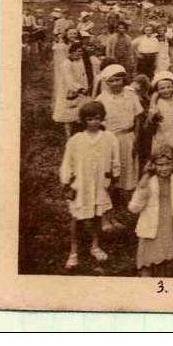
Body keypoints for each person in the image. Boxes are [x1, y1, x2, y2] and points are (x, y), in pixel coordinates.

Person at [59, 101, 120, 269]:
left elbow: (115, 160)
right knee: (77, 218)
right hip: (81, 185)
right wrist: (67, 183)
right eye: (90, 119)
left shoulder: (109, 138)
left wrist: (113, 177)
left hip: (100, 183)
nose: (94, 122)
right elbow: (67, 163)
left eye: (97, 119)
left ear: (102, 119)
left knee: (96, 216)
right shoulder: (75, 140)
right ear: (83, 120)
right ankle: (74, 251)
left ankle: (95, 245)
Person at [96, 64, 143, 229]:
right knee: (109, 179)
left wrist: (136, 137)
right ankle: (105, 217)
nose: (116, 83)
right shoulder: (101, 100)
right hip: (110, 140)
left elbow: (138, 117)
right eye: (111, 81)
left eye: (118, 79)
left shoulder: (131, 95)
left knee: (125, 177)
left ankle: (117, 213)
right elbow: (98, 126)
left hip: (127, 138)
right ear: (106, 83)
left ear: (124, 79)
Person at [129, 146, 173, 277]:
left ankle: (163, 285)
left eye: (168, 164)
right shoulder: (148, 181)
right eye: (160, 165)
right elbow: (134, 208)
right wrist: (143, 186)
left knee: (167, 259)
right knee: (147, 261)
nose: (164, 168)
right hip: (151, 225)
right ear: (153, 165)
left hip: (170, 224)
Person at [54, 41, 91, 137]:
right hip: (69, 90)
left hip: (80, 90)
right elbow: (69, 79)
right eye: (77, 51)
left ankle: (79, 133)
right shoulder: (66, 64)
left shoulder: (80, 61)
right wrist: (80, 89)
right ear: (71, 52)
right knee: (68, 114)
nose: (79, 54)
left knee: (78, 112)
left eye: (81, 52)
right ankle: (68, 135)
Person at [148, 71, 173, 153]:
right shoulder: (157, 103)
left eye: (169, 87)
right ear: (157, 90)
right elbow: (151, 121)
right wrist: (153, 100)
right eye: (162, 88)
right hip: (162, 135)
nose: (166, 90)